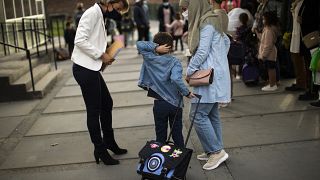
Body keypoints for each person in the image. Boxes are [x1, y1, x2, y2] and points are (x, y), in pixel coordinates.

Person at [71, 0, 129, 166]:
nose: (117, 13)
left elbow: (92, 41)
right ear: (110, 3)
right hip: (84, 69)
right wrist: (101, 55)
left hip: (91, 68)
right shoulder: (91, 13)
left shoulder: (100, 14)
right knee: (94, 111)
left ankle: (109, 142)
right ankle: (100, 149)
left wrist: (105, 57)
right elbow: (79, 40)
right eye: (117, 8)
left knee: (106, 103)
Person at [180, 0, 231, 170]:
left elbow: (202, 51)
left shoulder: (206, 22)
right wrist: (219, 59)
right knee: (212, 114)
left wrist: (190, 70)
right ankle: (214, 150)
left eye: (186, 8)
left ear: (195, 6)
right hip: (215, 74)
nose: (185, 12)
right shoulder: (213, 18)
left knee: (197, 115)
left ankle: (216, 152)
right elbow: (226, 42)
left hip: (208, 76)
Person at [137, 32, 195, 147]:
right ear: (171, 46)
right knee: (177, 133)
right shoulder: (175, 62)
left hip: (159, 103)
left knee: (160, 135)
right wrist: (186, 92)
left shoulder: (150, 58)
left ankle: (161, 160)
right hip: (175, 104)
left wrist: (155, 47)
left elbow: (140, 44)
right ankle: (179, 160)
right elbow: (176, 79)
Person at [297, 0, 320, 102]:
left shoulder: (313, 3)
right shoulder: (307, 2)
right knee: (310, 65)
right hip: (307, 39)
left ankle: (314, 91)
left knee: (314, 66)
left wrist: (302, 20)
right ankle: (311, 90)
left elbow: (314, 18)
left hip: (313, 38)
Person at [285, 0, 307, 92]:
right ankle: (299, 81)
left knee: (300, 60)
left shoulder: (303, 3)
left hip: (300, 34)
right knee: (295, 59)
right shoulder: (296, 3)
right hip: (295, 32)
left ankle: (303, 83)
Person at [255, 11, 279, 91]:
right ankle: (272, 83)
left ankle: (273, 85)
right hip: (270, 53)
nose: (263, 21)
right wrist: (257, 32)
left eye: (264, 19)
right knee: (270, 69)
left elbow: (268, 45)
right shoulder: (268, 29)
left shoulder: (269, 30)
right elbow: (263, 39)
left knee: (271, 69)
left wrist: (263, 55)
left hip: (269, 54)